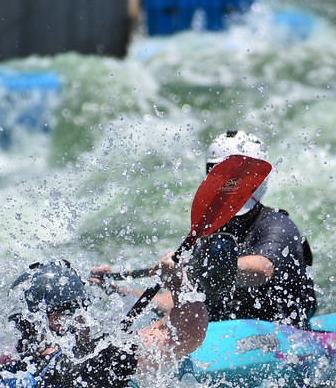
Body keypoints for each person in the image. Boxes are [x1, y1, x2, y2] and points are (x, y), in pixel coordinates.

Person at [93, 131, 317, 329]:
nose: (230, 181)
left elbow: (263, 269)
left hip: (279, 328)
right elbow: (169, 301)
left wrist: (211, 265)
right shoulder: (208, 231)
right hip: (228, 329)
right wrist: (113, 289)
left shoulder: (277, 224)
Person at [0, 256, 207, 388]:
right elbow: (188, 333)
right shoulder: (98, 359)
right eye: (82, 307)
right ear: (57, 320)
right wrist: (177, 281)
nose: (87, 318)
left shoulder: (0, 380)